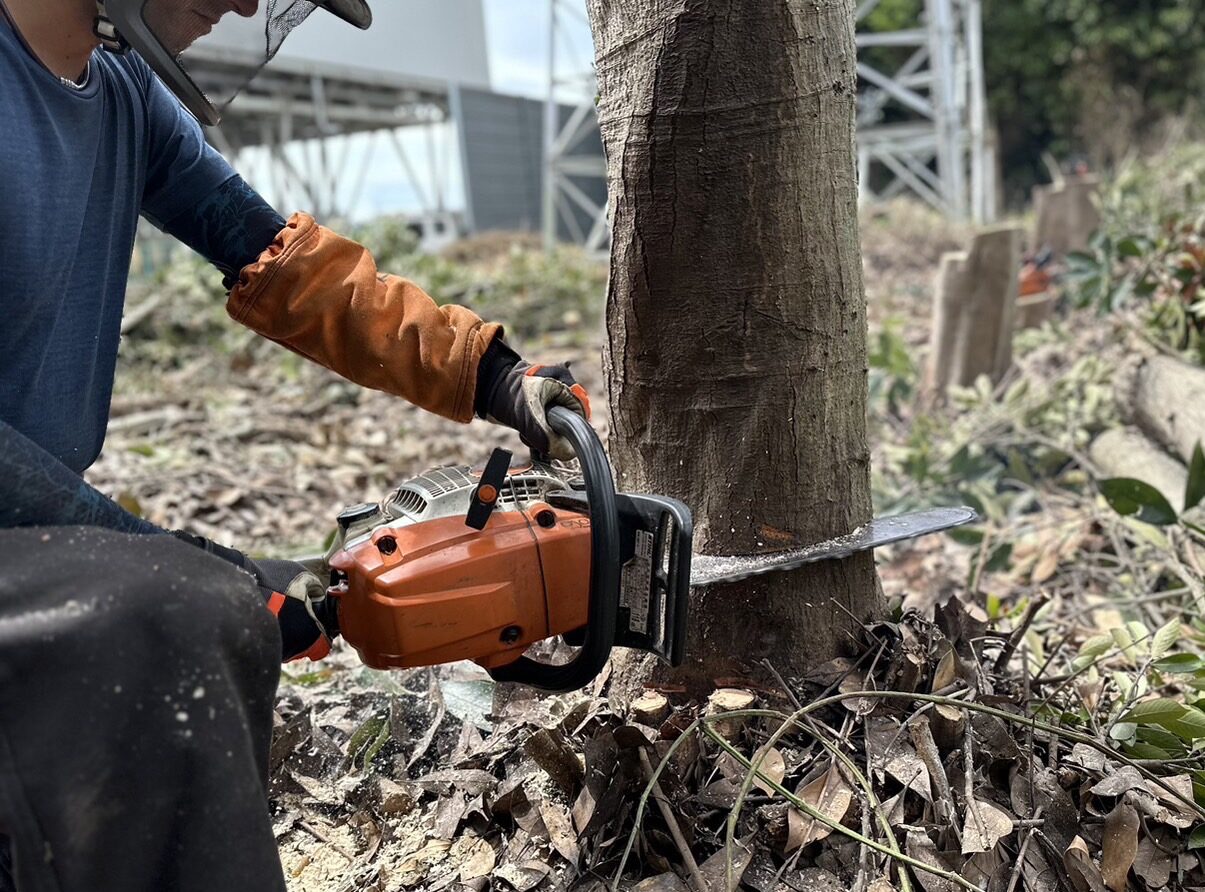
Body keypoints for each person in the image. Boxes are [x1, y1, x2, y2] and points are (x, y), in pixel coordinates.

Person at [0, 1, 589, 888]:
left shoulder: (120, 94)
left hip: (27, 545)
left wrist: (491, 375)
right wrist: (199, 569)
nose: (245, 1)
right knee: (174, 625)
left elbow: (281, 261)